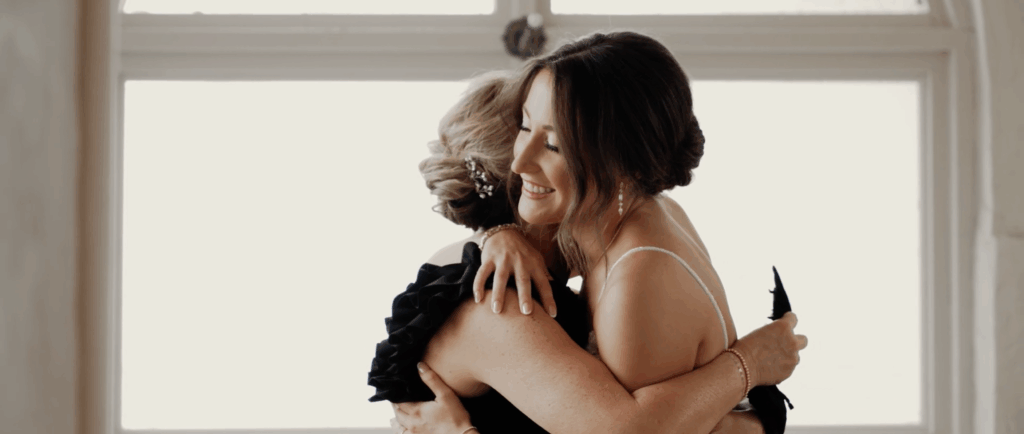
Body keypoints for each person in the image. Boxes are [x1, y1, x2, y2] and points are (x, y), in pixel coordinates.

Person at [370, 48, 806, 434]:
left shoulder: (512, 260)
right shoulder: (497, 299)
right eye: (528, 131)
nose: (528, 162)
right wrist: (748, 371)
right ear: (515, 197)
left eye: (554, 143)